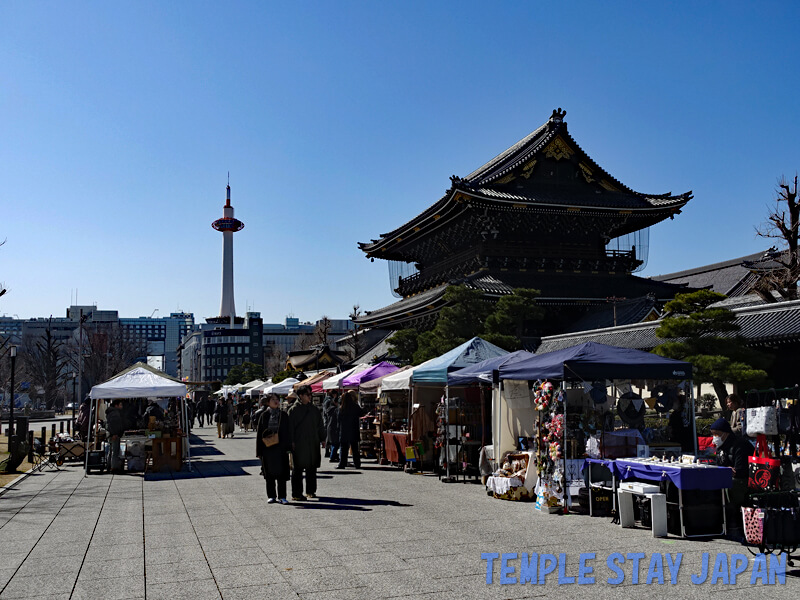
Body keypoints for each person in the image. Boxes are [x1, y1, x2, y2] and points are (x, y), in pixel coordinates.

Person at [710, 417, 754, 539]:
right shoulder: (721, 446)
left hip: (743, 481)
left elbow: (739, 471)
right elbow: (722, 466)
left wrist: (728, 471)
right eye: (713, 434)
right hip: (727, 477)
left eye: (717, 434)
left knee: (731, 487)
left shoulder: (740, 445)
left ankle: (734, 524)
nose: (715, 437)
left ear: (726, 433)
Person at [287, 385, 325, 501]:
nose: (310, 397)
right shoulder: (293, 410)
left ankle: (311, 491)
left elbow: (320, 425)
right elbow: (289, 428)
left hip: (313, 442)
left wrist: (323, 439)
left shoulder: (314, 409)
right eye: (308, 394)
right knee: (298, 469)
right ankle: (297, 493)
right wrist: (291, 442)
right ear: (301, 395)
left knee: (312, 467)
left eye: (311, 394)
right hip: (299, 443)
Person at [256, 394, 292, 504]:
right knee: (269, 472)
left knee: (281, 472)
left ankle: (282, 496)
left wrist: (289, 447)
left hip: (280, 447)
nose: (276, 401)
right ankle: (271, 495)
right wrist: (259, 451)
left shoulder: (284, 415)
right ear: (268, 402)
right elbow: (259, 433)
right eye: (273, 399)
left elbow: (288, 432)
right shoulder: (264, 415)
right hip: (268, 447)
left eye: (277, 399)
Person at [337, 390, 365, 469]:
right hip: (353, 429)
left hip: (344, 431)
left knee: (344, 448)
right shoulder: (355, 406)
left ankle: (342, 464)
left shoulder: (341, 408)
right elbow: (361, 413)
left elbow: (338, 420)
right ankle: (357, 464)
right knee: (355, 448)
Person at [105, 399, 126, 473]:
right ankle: (114, 467)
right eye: (120, 405)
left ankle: (108, 465)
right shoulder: (115, 413)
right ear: (116, 405)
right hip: (114, 434)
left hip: (110, 434)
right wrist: (115, 434)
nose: (122, 406)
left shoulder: (110, 412)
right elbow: (114, 424)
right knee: (115, 451)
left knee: (111, 451)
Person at [326, 393, 341, 463]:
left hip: (330, 427)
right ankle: (332, 457)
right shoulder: (335, 410)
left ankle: (333, 456)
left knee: (333, 443)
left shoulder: (329, 409)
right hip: (334, 428)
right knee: (335, 443)